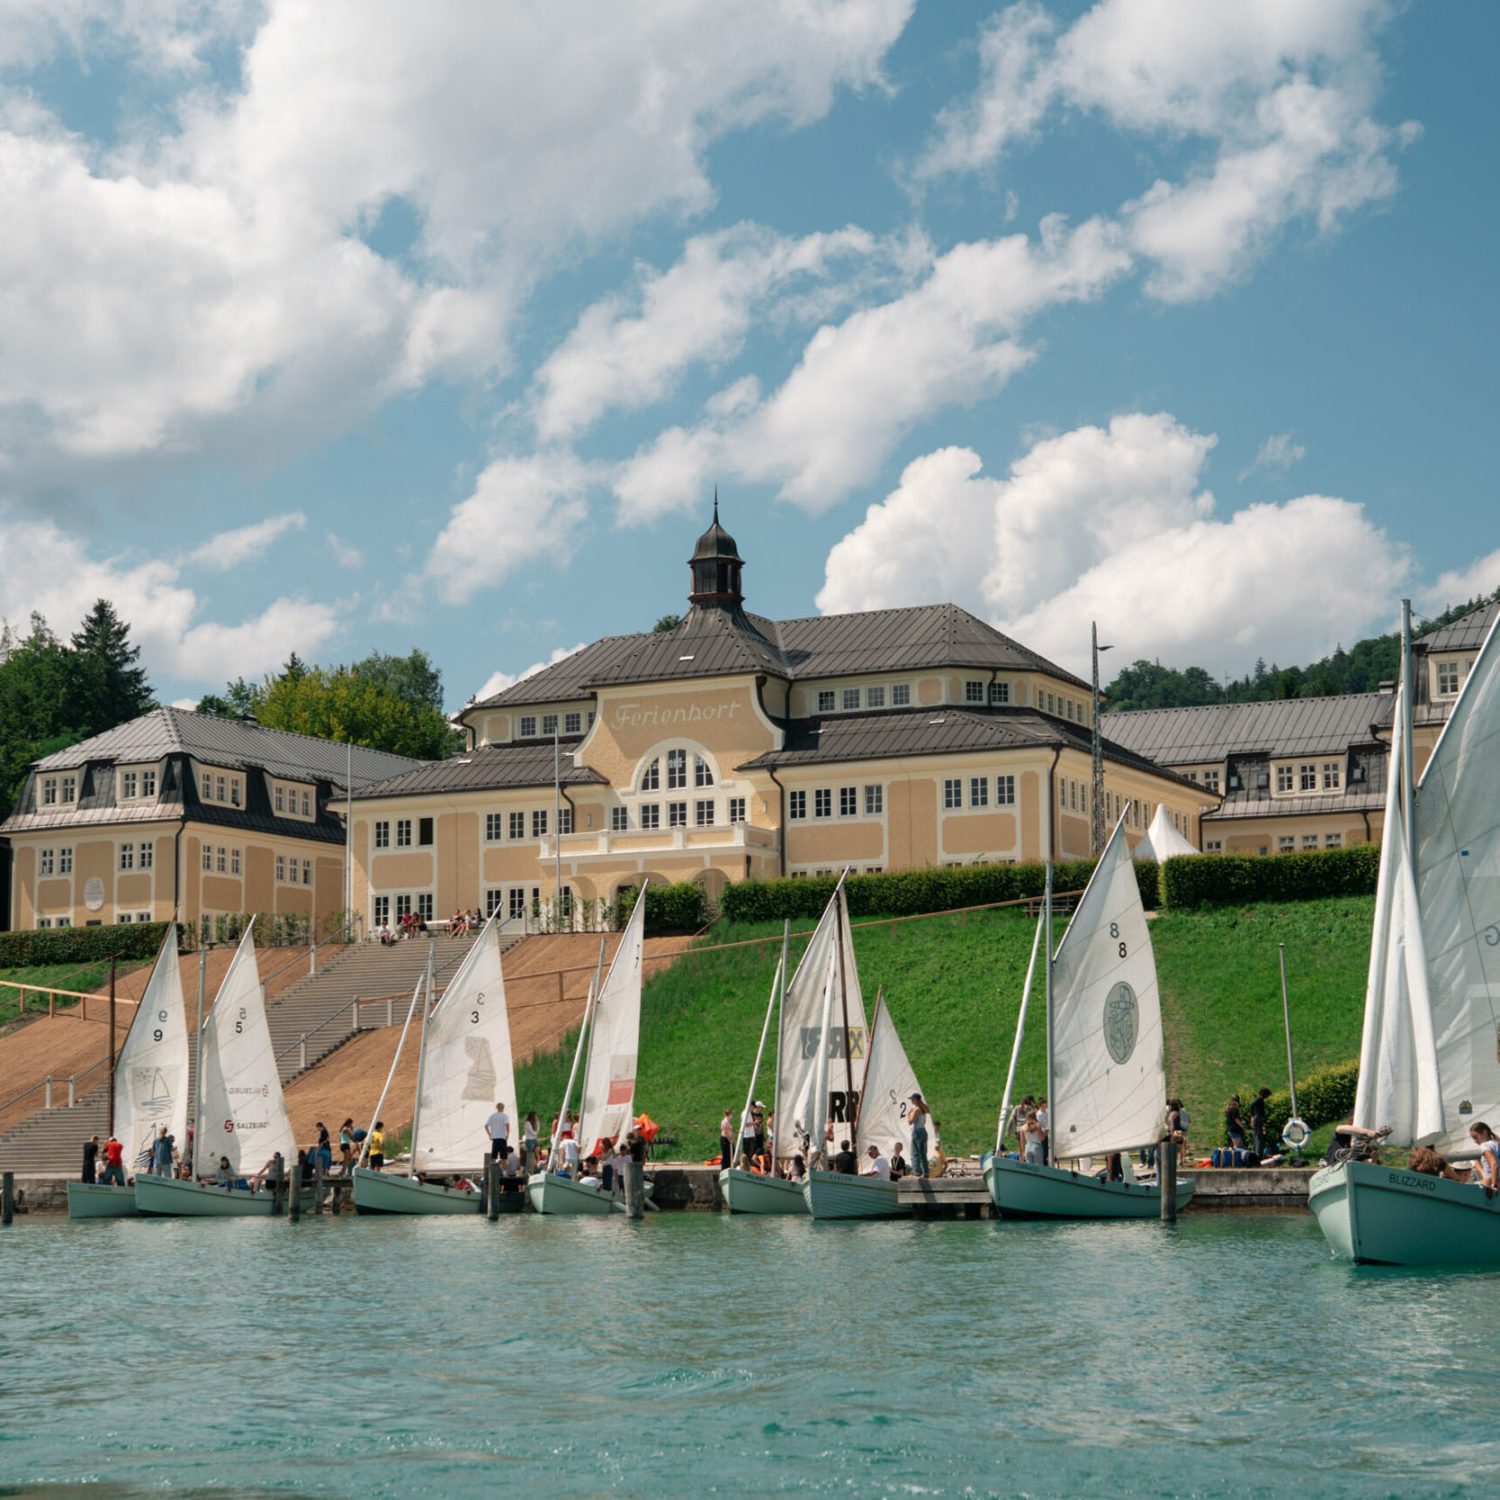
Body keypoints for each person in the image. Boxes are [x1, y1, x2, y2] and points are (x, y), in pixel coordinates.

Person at [624, 1128, 647, 1219]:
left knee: (633, 1183)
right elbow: (643, 1151)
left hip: (633, 1164)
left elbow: (631, 1156)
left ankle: (633, 1212)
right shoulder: (639, 1144)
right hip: (639, 1163)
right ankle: (638, 1210)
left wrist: (628, 1151)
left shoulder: (633, 1146)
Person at [1470, 1122, 1500, 1189]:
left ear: (1485, 1132)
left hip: (1488, 1185)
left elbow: (1494, 1164)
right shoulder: (1497, 1143)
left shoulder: (1485, 1146)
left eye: (1476, 1137)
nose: (1475, 1141)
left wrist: (1494, 1185)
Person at [908, 1092, 931, 1177]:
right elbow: (924, 1122)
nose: (911, 1101)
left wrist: (908, 1115)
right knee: (923, 1153)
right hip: (923, 1131)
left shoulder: (916, 1109)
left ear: (915, 1100)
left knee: (915, 1153)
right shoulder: (924, 1109)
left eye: (912, 1099)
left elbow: (910, 1122)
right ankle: (926, 1172)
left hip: (917, 1131)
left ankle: (917, 1172)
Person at [1249, 1087, 1271, 1159]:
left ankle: (1254, 1152)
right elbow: (1252, 1105)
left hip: (1258, 1119)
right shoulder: (1260, 1099)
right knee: (1259, 1137)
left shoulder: (1260, 1099)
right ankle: (1258, 1154)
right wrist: (1255, 1115)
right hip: (1258, 1119)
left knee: (1256, 1136)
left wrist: (1254, 1115)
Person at [1035, 1097, 1051, 1165]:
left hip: (1049, 1132)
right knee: (1044, 1149)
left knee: (1048, 1149)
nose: (1047, 1104)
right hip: (1044, 1133)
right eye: (1045, 1103)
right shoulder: (1039, 1114)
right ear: (1041, 1105)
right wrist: (1046, 1129)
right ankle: (1044, 1162)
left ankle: (1048, 1161)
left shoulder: (1047, 1111)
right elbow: (1040, 1125)